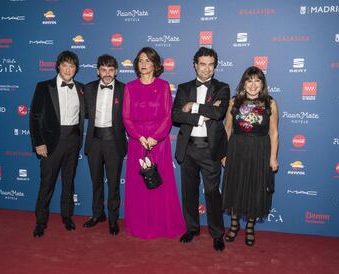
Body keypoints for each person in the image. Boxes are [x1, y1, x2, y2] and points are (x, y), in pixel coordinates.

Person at [122, 47, 185, 239]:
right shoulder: (130, 87)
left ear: (155, 64)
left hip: (159, 142)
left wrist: (154, 138)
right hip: (137, 141)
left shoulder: (164, 86)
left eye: (148, 61)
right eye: (140, 60)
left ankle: (161, 225)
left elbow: (168, 117)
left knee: (159, 183)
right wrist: (140, 138)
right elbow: (126, 117)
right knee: (139, 184)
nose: (143, 64)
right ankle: (140, 224)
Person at [172, 47, 230, 252]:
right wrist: (203, 113)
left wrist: (192, 106)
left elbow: (218, 112)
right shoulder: (183, 87)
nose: (206, 69)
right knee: (189, 192)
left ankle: (217, 234)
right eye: (202, 64)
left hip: (210, 149)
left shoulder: (223, 88)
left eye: (210, 64)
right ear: (195, 65)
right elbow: (176, 116)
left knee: (213, 193)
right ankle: (192, 228)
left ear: (215, 67)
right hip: (188, 149)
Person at [29, 50, 85, 237]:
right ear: (58, 66)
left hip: (73, 140)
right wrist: (38, 142)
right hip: (51, 142)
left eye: (72, 66)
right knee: (47, 183)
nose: (68, 69)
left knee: (69, 182)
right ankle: (41, 222)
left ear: (76, 69)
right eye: (65, 65)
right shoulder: (44, 87)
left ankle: (67, 217)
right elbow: (35, 117)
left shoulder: (81, 88)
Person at [222, 66, 279, 246]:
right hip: (236, 149)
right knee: (235, 187)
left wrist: (272, 158)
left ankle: (250, 228)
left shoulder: (270, 103)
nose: (253, 85)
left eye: (257, 80)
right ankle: (234, 225)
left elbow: (274, 133)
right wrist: (223, 154)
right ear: (243, 83)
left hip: (259, 150)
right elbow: (227, 129)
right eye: (249, 80)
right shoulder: (234, 102)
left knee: (255, 188)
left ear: (262, 84)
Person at [82, 54, 127, 235]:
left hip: (114, 142)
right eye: (103, 70)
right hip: (94, 141)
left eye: (110, 70)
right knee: (96, 181)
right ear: (97, 71)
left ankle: (113, 219)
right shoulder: (88, 88)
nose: (107, 73)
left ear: (116, 71)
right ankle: (97, 214)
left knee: (114, 184)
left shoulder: (125, 90)